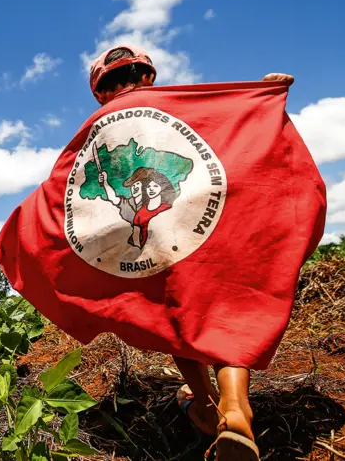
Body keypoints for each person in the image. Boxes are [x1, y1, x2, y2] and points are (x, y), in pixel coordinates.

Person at [89, 44, 293, 460]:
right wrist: (261, 100)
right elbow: (229, 135)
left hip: (155, 243)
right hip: (205, 223)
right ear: (148, 76)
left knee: (177, 316)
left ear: (99, 91)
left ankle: (202, 403)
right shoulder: (179, 106)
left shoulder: (99, 125)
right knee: (223, 308)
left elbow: (80, 196)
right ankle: (235, 407)